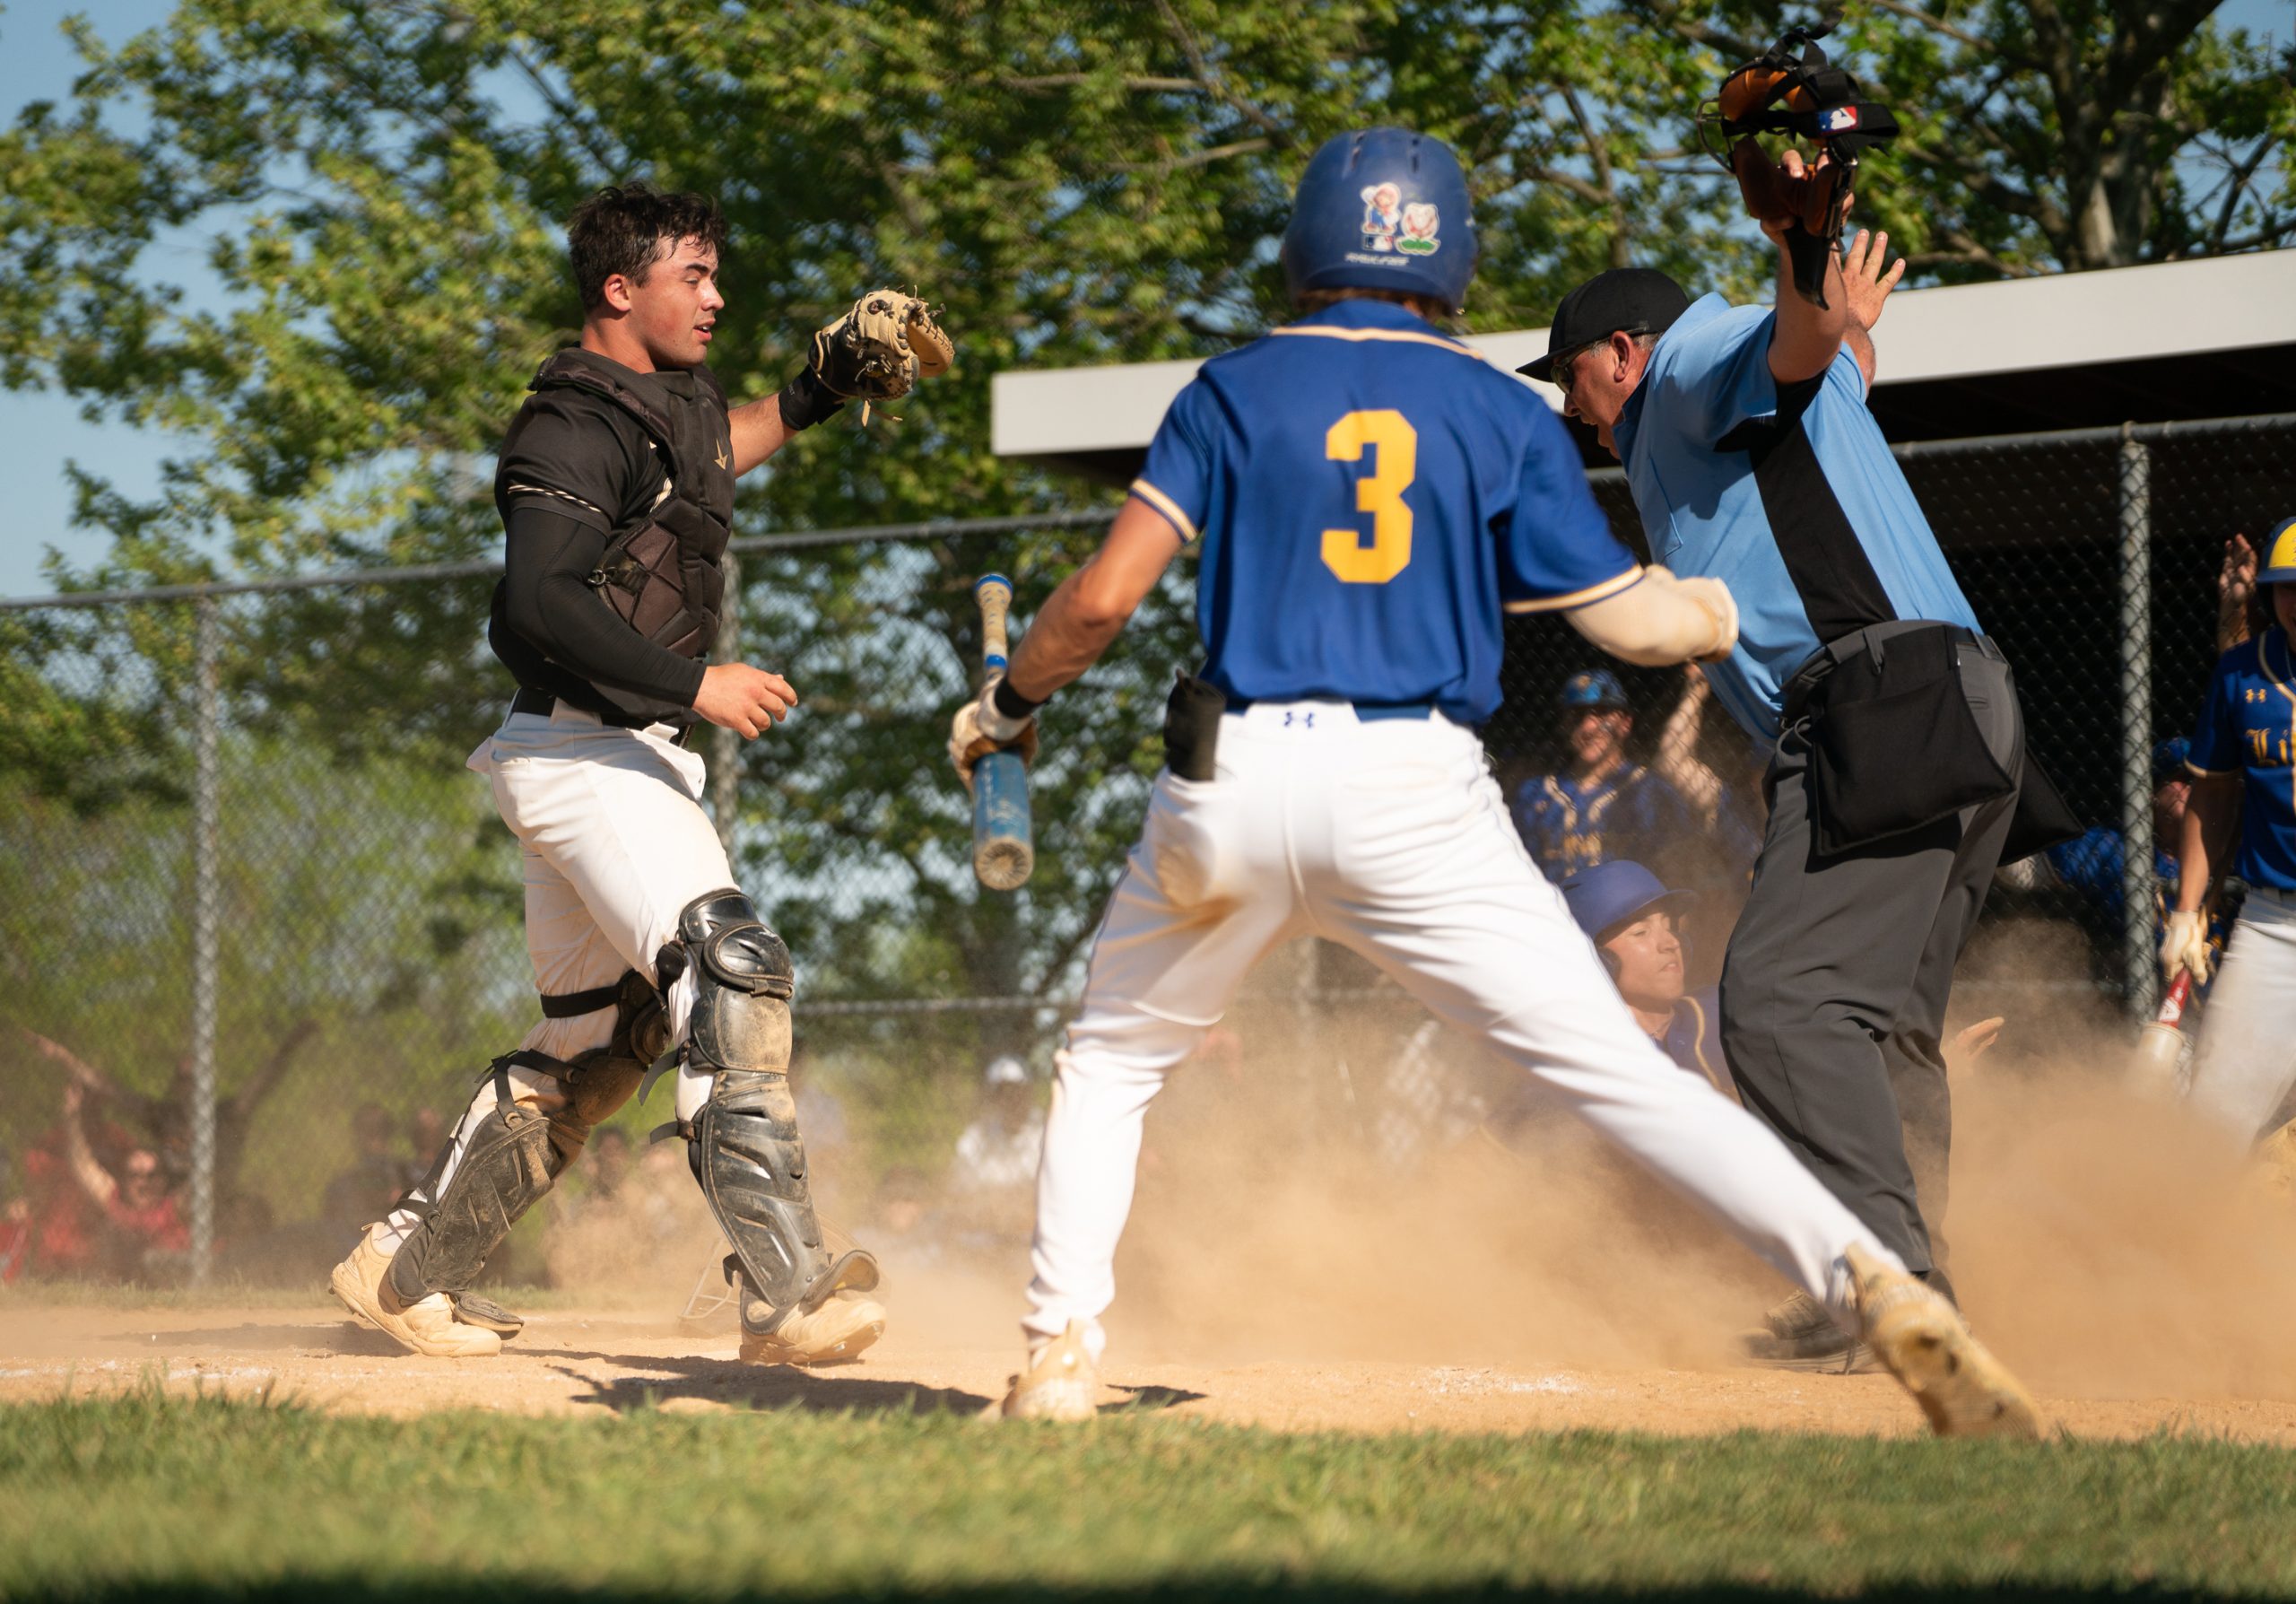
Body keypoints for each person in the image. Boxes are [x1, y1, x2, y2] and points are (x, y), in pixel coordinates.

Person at [949, 126, 2038, 1438]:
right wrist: (1699, 615)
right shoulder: (1484, 407)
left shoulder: (1229, 390)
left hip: (1230, 777)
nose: (1571, 399)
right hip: (1419, 784)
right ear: (1452, 256)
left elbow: (1101, 604)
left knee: (1112, 1060)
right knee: (1629, 1073)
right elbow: (1643, 615)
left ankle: (1060, 1349)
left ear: (1306, 246)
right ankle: (1875, 1283)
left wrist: (1004, 705)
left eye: (1579, 373)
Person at [329, 183, 941, 1363]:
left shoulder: (663, 409)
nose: (717, 297)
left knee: (604, 1047)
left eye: (718, 276)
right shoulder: (569, 423)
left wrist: (821, 387)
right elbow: (538, 599)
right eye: (693, 277)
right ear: (621, 290)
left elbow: (714, 461)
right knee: (734, 969)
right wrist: (694, 684)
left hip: (605, 753)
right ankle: (786, 1289)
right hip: (589, 749)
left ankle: (409, 1270)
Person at [1535, 160, 2075, 1310]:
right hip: (1962, 700)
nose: (1570, 404)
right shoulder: (1775, 395)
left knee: (1776, 1004)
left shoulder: (1683, 362)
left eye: (1574, 375)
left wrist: (1802, 238)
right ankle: (1920, 1283)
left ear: (1625, 351)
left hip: (1878, 704)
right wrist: (1848, 332)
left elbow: (1782, 348)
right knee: (1883, 1032)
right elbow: (1820, 376)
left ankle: (1880, 1283)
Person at [2165, 517, 2296, 1147]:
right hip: (2275, 926)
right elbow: (2212, 798)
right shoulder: (2242, 674)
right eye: (2286, 587)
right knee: (2211, 1126)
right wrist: (2187, 912)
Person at [1511, 671, 1710, 884]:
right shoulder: (1535, 793)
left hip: (1630, 915)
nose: (1588, 727)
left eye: (1601, 713)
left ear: (1625, 724)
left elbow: (1682, 870)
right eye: (1577, 715)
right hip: (1554, 913)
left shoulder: (1651, 790)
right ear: (1565, 724)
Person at [952, 1056, 1048, 1195]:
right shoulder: (977, 1136)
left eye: (1017, 1091)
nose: (1011, 1099)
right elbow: (960, 1190)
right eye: (1002, 1092)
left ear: (1027, 1093)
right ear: (993, 1098)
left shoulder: (1045, 1134)